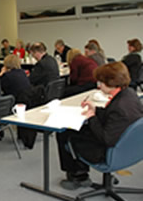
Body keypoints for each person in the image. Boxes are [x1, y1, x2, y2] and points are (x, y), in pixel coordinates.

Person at [56, 62, 143, 190]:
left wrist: (92, 117)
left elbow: (105, 138)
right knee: (82, 129)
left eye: (101, 82)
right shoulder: (129, 94)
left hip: (109, 148)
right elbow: (113, 118)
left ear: (111, 82)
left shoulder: (119, 107)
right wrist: (95, 110)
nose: (99, 86)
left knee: (65, 134)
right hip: (129, 147)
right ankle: (82, 175)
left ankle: (78, 177)